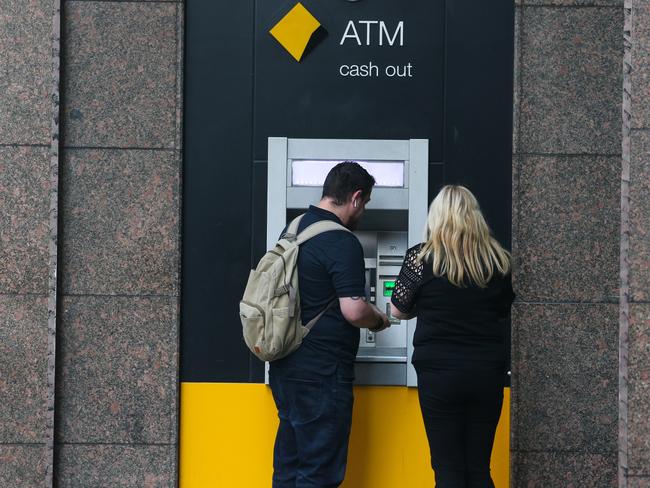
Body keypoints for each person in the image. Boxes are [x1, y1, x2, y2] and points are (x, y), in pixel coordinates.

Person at [269, 161, 391, 488]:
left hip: (285, 365)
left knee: (288, 469)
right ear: (355, 197)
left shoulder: (293, 229)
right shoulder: (342, 241)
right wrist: (378, 319)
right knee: (319, 474)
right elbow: (353, 310)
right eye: (364, 203)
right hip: (322, 373)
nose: (362, 211)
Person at [390, 185, 514, 488]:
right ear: (475, 217)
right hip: (485, 371)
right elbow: (502, 308)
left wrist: (429, 306)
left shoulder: (420, 259)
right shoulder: (498, 262)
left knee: (448, 469)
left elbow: (397, 310)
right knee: (479, 468)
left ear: (438, 216)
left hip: (439, 375)